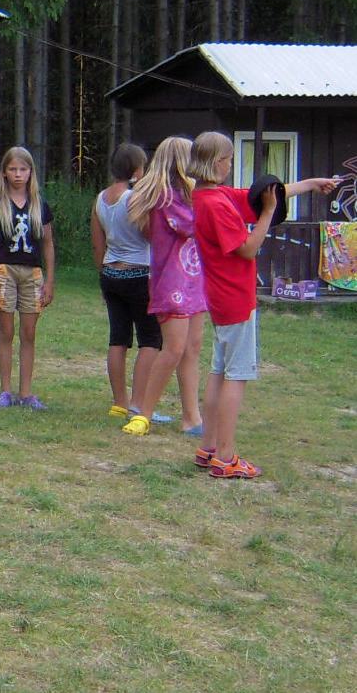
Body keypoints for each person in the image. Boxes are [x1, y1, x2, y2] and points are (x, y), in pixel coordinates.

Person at [188, 131, 336, 478]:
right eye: (229, 159)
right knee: (236, 376)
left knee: (219, 371)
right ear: (217, 163)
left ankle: (208, 447)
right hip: (235, 298)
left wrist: (310, 183)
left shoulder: (209, 195)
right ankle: (226, 458)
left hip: (220, 296)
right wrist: (268, 213)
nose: (230, 165)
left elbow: (265, 194)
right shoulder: (216, 205)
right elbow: (247, 248)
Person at [122, 136, 204, 436]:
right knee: (173, 349)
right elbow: (194, 226)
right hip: (172, 284)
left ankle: (192, 417)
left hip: (194, 281)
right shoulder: (168, 198)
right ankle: (143, 413)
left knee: (192, 349)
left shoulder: (188, 196)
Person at [90, 142, 163, 420]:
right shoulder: (134, 198)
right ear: (136, 170)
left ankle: (119, 402)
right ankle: (138, 403)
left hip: (111, 273)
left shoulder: (100, 199)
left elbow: (97, 244)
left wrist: (103, 272)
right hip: (139, 273)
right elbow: (150, 235)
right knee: (150, 340)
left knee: (118, 339)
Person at [0, 146, 55, 408]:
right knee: (7, 330)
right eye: (12, 169)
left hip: (32, 272)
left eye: (23, 169)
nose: (18, 174)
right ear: (4, 173)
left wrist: (49, 281)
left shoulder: (40, 206)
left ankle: (26, 393)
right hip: (4, 271)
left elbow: (48, 244)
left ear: (30, 172)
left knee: (29, 332)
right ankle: (5, 391)